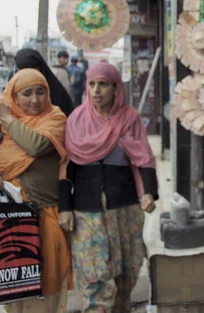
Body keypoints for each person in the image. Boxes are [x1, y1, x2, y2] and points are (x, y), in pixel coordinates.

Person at [60, 62, 158, 313]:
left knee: (126, 271)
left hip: (124, 209)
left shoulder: (130, 119)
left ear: (116, 88)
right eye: (92, 84)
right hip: (86, 211)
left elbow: (144, 158)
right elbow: (68, 168)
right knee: (94, 274)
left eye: (103, 84)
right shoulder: (76, 120)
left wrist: (148, 193)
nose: (96, 90)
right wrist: (64, 207)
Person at [0, 69, 72, 312]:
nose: (35, 100)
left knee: (47, 291)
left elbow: (35, 145)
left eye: (40, 92)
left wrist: (9, 119)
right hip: (12, 224)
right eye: (26, 94)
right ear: (14, 96)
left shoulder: (55, 118)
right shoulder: (1, 129)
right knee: (15, 292)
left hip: (46, 218)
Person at [13, 49, 75, 116]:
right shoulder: (11, 91)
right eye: (27, 94)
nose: (34, 100)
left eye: (39, 93)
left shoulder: (57, 95)